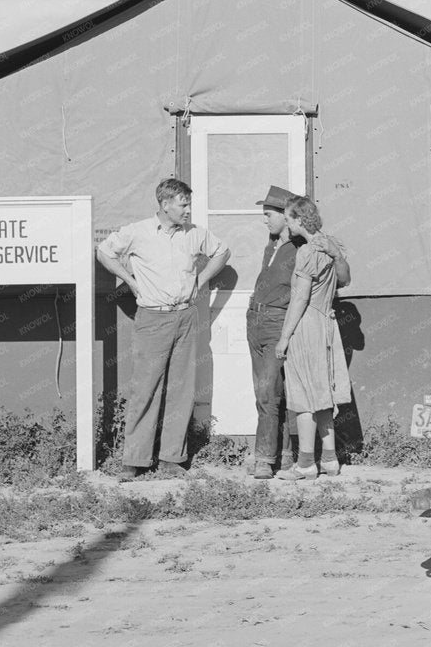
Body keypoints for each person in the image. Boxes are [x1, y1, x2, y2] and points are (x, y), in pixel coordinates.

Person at [97, 178, 228, 480]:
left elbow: (223, 252)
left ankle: (172, 458)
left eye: (188, 204)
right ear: (165, 204)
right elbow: (104, 252)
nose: (187, 209)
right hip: (152, 318)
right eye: (183, 204)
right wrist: (129, 280)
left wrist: (201, 279)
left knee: (181, 390)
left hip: (185, 316)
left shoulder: (194, 234)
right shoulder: (137, 232)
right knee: (145, 388)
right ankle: (135, 459)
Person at [247, 185, 351, 480]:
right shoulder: (328, 246)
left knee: (303, 396)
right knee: (321, 393)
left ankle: (306, 462)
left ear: (298, 220)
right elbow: (344, 278)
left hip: (306, 325)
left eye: (290, 219)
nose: (288, 225)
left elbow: (300, 299)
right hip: (325, 323)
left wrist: (284, 338)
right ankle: (329, 459)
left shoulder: (306, 252)